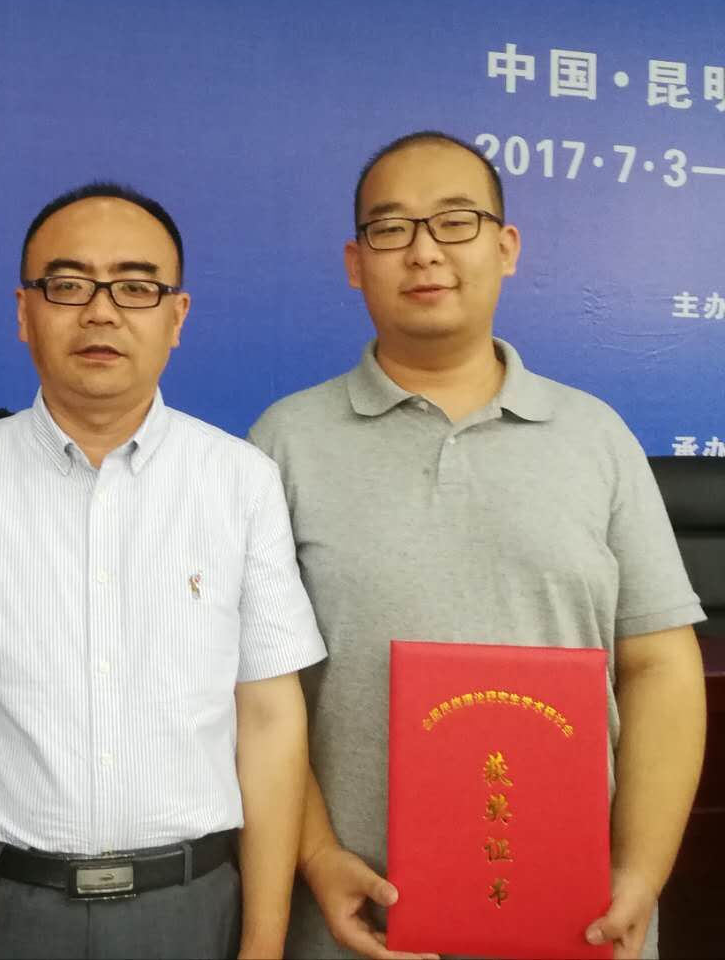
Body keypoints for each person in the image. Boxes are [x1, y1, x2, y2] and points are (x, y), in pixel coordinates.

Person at [249, 132, 707, 960]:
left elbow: (661, 668)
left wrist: (640, 871)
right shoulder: (285, 442)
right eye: (392, 228)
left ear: (506, 247)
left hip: (576, 918)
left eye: (456, 222)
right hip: (360, 922)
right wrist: (315, 856)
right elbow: (257, 687)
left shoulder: (597, 436)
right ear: (355, 262)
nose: (424, 252)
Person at [0, 182, 326, 960]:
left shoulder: (240, 482)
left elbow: (271, 721)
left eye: (136, 287)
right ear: (24, 312)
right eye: (68, 285)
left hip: (190, 911)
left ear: (177, 316)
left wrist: (264, 946)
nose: (101, 312)